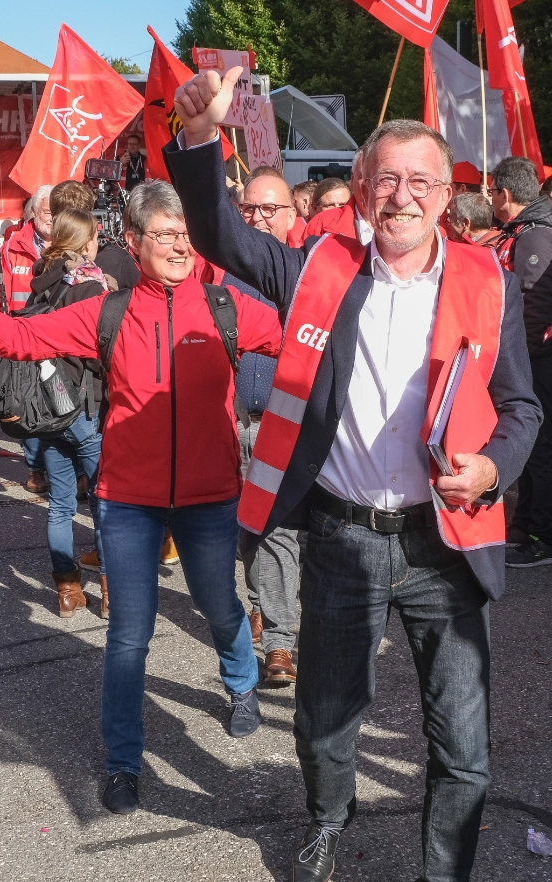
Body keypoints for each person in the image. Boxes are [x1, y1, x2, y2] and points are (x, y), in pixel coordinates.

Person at [170, 65, 542, 882]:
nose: (402, 196)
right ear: (363, 187)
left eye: (421, 181)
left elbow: (523, 407)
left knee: (462, 740)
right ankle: (327, 820)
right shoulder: (319, 268)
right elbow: (218, 230)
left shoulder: (488, 280)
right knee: (325, 717)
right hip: (342, 534)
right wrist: (201, 137)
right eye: (387, 179)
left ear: (445, 194)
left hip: (445, 542)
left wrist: (492, 469)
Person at [0, 180, 283, 820]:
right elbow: (16, 340)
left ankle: (241, 683)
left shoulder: (227, 308)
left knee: (220, 605)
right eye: (165, 234)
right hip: (128, 499)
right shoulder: (108, 311)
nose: (179, 246)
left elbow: (303, 341)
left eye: (186, 234)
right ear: (133, 242)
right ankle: (123, 761)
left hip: (210, 496)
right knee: (129, 634)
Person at [229, 168, 302, 687]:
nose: (258, 218)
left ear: (292, 215)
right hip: (235, 423)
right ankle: (260, 601)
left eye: (269, 208)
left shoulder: (308, 277)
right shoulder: (225, 276)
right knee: (248, 529)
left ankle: (280, 640)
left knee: (278, 530)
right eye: (249, 208)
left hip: (286, 424)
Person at [14, 207, 107, 616]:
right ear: (86, 242)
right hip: (83, 405)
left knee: (60, 506)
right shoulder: (89, 285)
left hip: (47, 406)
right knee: (105, 504)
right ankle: (111, 593)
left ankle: (67, 590)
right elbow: (102, 348)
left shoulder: (42, 280)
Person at [489, 157, 552, 577]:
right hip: (533, 355)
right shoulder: (526, 230)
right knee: (531, 448)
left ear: (504, 194)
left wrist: (515, 360)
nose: (490, 200)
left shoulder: (537, 234)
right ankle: (524, 526)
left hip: (540, 357)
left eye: (492, 193)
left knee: (540, 449)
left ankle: (540, 537)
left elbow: (533, 307)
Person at [0, 185, 54, 311]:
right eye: (47, 212)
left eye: (57, 212)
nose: (52, 218)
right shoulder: (12, 248)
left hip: (56, 322)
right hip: (20, 321)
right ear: (34, 212)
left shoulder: (71, 245)